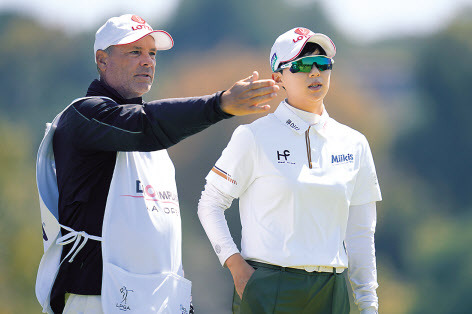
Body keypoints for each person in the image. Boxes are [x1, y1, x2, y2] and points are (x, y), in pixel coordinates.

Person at [35, 14, 279, 314]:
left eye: (152, 53)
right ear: (102, 60)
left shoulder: (151, 141)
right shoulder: (85, 116)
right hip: (95, 300)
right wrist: (220, 104)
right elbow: (143, 127)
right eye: (135, 52)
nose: (148, 61)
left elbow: (161, 231)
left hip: (154, 302)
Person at [198, 27, 382, 313]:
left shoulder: (354, 143)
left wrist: (368, 302)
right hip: (270, 285)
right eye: (302, 65)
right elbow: (210, 203)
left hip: (333, 291)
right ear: (277, 78)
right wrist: (236, 266)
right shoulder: (254, 136)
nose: (314, 73)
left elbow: (360, 233)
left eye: (322, 64)